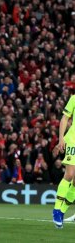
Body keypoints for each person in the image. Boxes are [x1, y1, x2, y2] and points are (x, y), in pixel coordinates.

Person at [52, 94, 75, 228]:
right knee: (70, 173)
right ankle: (56, 209)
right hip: (73, 140)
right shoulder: (74, 98)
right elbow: (65, 118)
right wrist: (61, 139)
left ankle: (62, 211)